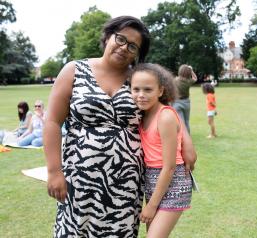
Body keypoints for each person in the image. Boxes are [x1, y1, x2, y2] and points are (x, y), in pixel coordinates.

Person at [43, 16, 196, 237]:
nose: (124, 48)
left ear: (138, 54)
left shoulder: (138, 79)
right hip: (79, 179)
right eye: (121, 39)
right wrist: (54, 171)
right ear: (108, 36)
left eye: (133, 46)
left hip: (126, 184)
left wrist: (187, 142)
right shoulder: (74, 70)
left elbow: (165, 109)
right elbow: (52, 122)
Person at [130, 63, 192, 238]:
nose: (141, 95)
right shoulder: (143, 113)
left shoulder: (164, 116)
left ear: (160, 91)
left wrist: (151, 206)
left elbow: (170, 167)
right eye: (136, 89)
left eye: (148, 90)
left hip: (173, 181)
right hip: (152, 181)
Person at [172, 64, 197, 134]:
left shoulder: (175, 80)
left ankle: (183, 139)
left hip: (176, 103)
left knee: (181, 122)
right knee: (186, 121)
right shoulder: (189, 81)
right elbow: (195, 78)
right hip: (186, 102)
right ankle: (187, 137)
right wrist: (191, 70)